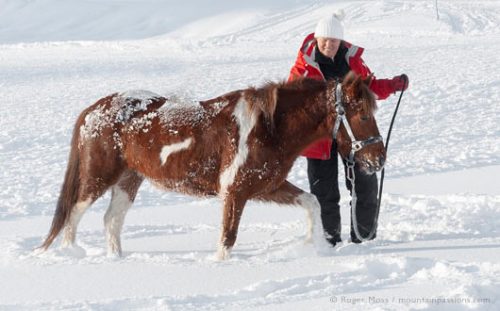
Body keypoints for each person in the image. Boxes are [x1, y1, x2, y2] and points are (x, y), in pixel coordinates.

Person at [288, 12, 409, 246]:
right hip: (319, 138)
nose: (329, 45)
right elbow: (292, 101)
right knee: (325, 192)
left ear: (341, 41)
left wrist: (392, 85)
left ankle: (364, 237)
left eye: (334, 41)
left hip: (354, 133)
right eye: (324, 40)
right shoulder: (304, 66)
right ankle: (329, 240)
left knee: (365, 184)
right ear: (316, 38)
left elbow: (369, 87)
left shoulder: (351, 61)